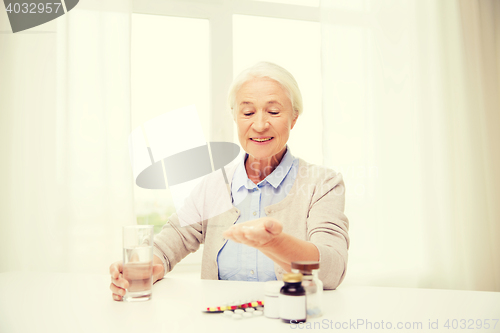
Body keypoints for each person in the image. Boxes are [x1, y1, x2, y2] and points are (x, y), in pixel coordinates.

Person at [110, 62, 349, 301]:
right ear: (235, 117)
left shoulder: (323, 184)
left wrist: (276, 243)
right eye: (247, 113)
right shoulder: (214, 185)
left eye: (274, 112)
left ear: (294, 118)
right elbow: (169, 245)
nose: (259, 125)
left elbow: (332, 269)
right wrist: (142, 269)